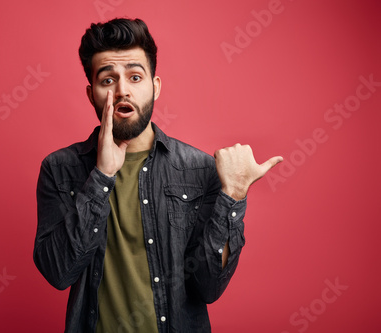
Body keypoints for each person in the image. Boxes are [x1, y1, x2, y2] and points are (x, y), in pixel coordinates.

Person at [33, 18, 282, 333]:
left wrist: (232, 196)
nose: (122, 90)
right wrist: (102, 175)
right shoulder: (60, 168)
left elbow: (208, 288)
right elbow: (58, 272)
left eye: (135, 77)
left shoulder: (199, 169)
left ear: (155, 86)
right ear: (91, 93)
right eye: (108, 80)